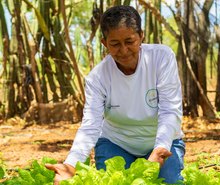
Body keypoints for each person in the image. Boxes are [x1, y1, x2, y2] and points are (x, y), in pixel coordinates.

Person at [45, 5, 185, 184]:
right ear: (104, 43)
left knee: (170, 182)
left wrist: (160, 149)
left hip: (162, 142)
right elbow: (91, 125)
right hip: (116, 143)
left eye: (129, 41)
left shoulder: (161, 58)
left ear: (141, 36)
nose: (124, 50)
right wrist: (70, 165)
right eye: (115, 44)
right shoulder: (97, 77)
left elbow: (170, 110)